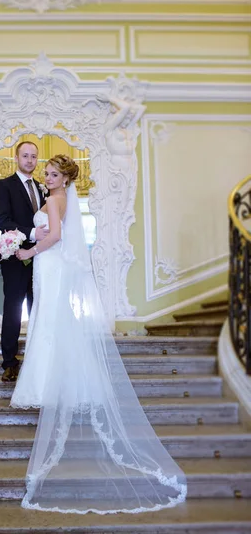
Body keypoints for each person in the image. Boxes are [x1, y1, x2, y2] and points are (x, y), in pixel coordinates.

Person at [11, 154, 187, 515]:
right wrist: (35, 237)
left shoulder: (54, 200)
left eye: (53, 173)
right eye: (46, 171)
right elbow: (53, 232)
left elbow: (56, 235)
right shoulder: (58, 199)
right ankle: (54, 378)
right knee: (49, 320)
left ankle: (47, 382)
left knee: (49, 321)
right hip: (52, 265)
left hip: (50, 263)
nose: (47, 175)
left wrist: (28, 249)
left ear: (65, 179)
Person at [0, 141, 47, 383]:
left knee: (38, 309)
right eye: (25, 156)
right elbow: (3, 221)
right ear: (17, 158)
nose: (30, 160)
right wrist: (33, 233)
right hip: (15, 258)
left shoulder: (41, 187)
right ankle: (9, 363)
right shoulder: (3, 186)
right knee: (14, 310)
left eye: (34, 156)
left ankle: (38, 360)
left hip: (41, 258)